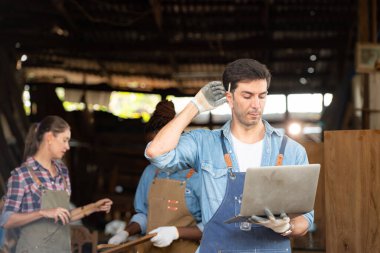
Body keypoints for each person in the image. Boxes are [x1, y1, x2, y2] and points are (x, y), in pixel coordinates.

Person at [146, 59, 314, 252]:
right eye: (247, 96)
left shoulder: (291, 151)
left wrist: (288, 227)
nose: (256, 105)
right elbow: (156, 152)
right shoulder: (205, 144)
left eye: (262, 96)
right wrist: (195, 106)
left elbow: (306, 219)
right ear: (230, 98)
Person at [0, 115, 113, 253]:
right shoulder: (22, 175)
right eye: (64, 140)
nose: (67, 147)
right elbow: (6, 220)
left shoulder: (62, 173)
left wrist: (93, 207)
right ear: (49, 138)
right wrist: (42, 213)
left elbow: (64, 216)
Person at [108, 100, 202, 253]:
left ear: (176, 140)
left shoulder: (198, 176)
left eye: (160, 147)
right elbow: (144, 215)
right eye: (151, 149)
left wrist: (175, 232)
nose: (154, 154)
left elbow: (211, 226)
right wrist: (126, 232)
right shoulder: (150, 172)